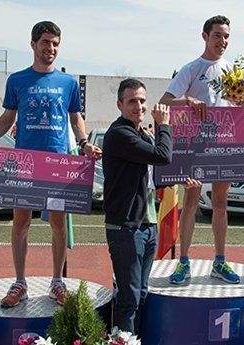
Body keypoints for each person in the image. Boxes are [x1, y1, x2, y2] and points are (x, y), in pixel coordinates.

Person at [0, 21, 102, 307]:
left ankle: (57, 282)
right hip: (24, 163)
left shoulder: (68, 83)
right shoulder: (17, 80)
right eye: (45, 42)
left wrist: (84, 143)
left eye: (55, 43)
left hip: (57, 162)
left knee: (58, 223)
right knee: (21, 223)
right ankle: (20, 282)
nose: (50, 48)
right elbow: (8, 117)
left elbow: (75, 117)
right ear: (33, 44)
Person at [159, 14, 244, 285]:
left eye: (227, 36)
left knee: (221, 203)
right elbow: (163, 103)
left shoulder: (235, 71)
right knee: (190, 202)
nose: (222, 41)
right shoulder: (191, 69)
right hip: (194, 148)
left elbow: (241, 107)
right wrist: (187, 100)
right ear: (205, 36)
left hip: (224, 146)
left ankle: (220, 261)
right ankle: (183, 262)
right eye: (218, 35)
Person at [102, 79, 172, 333]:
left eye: (142, 100)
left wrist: (181, 177)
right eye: (132, 101)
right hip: (126, 228)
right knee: (129, 299)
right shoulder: (120, 134)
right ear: (119, 104)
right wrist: (164, 125)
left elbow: (157, 172)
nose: (139, 106)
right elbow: (163, 156)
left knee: (140, 294)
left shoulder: (142, 134)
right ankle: (123, 339)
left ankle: (133, 339)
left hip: (147, 225)